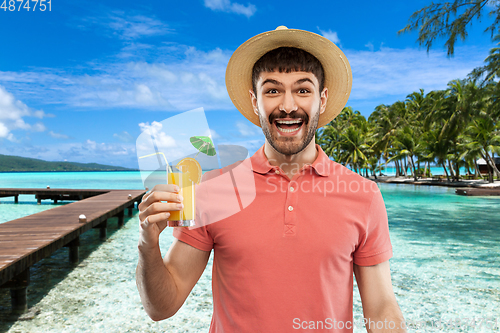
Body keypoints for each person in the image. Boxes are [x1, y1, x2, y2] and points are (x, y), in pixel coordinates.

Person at [136, 26, 407, 332]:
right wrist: (148, 244)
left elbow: (381, 305)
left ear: (323, 98)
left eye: (303, 90)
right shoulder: (214, 189)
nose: (288, 106)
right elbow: (161, 307)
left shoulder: (364, 195)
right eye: (273, 90)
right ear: (255, 101)